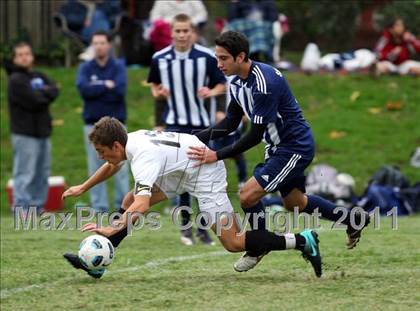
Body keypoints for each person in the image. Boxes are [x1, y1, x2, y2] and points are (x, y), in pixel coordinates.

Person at [187, 31, 370, 273]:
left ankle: (257, 247)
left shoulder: (264, 84)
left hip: (293, 147)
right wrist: (191, 138)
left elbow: (253, 135)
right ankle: (353, 218)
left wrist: (216, 155)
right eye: (217, 58)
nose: (218, 64)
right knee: (295, 203)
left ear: (240, 56)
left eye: (223, 59)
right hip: (277, 147)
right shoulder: (237, 81)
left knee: (247, 195)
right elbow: (231, 123)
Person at [61, 116, 322, 279]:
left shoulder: (142, 157)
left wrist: (112, 226)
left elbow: (141, 205)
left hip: (204, 173)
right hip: (181, 170)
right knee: (130, 199)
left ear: (116, 145)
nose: (100, 156)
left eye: (101, 151)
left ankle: (301, 240)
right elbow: (113, 165)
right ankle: (98, 263)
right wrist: (84, 187)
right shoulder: (132, 139)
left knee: (233, 242)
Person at [147, 14, 227, 246]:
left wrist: (212, 95)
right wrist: (159, 118)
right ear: (172, 32)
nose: (182, 35)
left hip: (201, 125)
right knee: (180, 175)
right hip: (174, 125)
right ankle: (185, 227)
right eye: (178, 31)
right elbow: (155, 87)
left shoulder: (206, 57)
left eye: (186, 31)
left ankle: (204, 229)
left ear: (192, 32)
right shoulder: (159, 58)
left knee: (202, 178)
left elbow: (221, 84)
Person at [76, 30, 129, 213]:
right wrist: (106, 86)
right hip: (93, 125)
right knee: (96, 165)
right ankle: (99, 207)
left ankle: (122, 206)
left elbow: (119, 91)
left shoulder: (118, 66)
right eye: (95, 43)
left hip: (118, 127)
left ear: (108, 45)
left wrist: (96, 89)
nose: (99, 46)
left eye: (102, 42)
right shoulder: (86, 68)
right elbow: (83, 90)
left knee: (121, 164)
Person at [6, 42, 59, 214]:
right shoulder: (15, 80)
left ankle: (37, 207)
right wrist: (45, 93)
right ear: (15, 59)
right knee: (24, 173)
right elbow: (35, 101)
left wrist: (44, 92)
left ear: (32, 56)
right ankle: (21, 208)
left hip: (43, 132)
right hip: (24, 133)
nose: (24, 57)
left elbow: (55, 90)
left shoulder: (39, 75)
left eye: (27, 53)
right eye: (20, 54)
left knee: (42, 173)